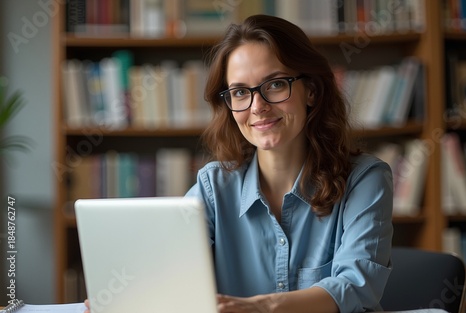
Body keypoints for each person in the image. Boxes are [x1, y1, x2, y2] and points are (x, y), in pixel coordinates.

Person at [85, 14, 393, 313]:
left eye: (275, 85)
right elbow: (164, 271)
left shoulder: (365, 180)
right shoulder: (212, 187)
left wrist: (261, 307)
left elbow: (356, 285)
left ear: (310, 90)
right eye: (240, 92)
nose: (258, 107)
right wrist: (127, 298)